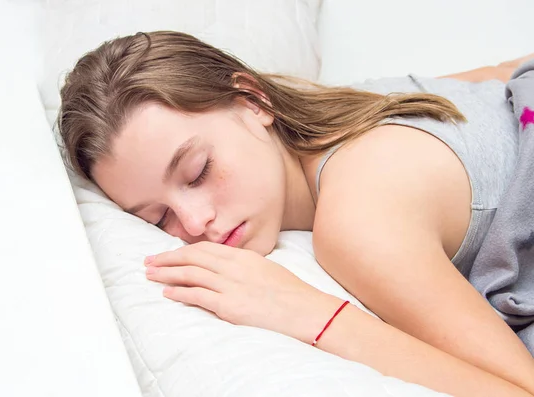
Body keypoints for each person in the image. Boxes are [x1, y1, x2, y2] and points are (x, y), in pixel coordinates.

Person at [57, 31, 534, 396]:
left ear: (253, 100)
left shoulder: (360, 221)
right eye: (158, 219)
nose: (194, 222)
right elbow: (506, 69)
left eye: (198, 171)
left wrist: (312, 315)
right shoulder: (344, 106)